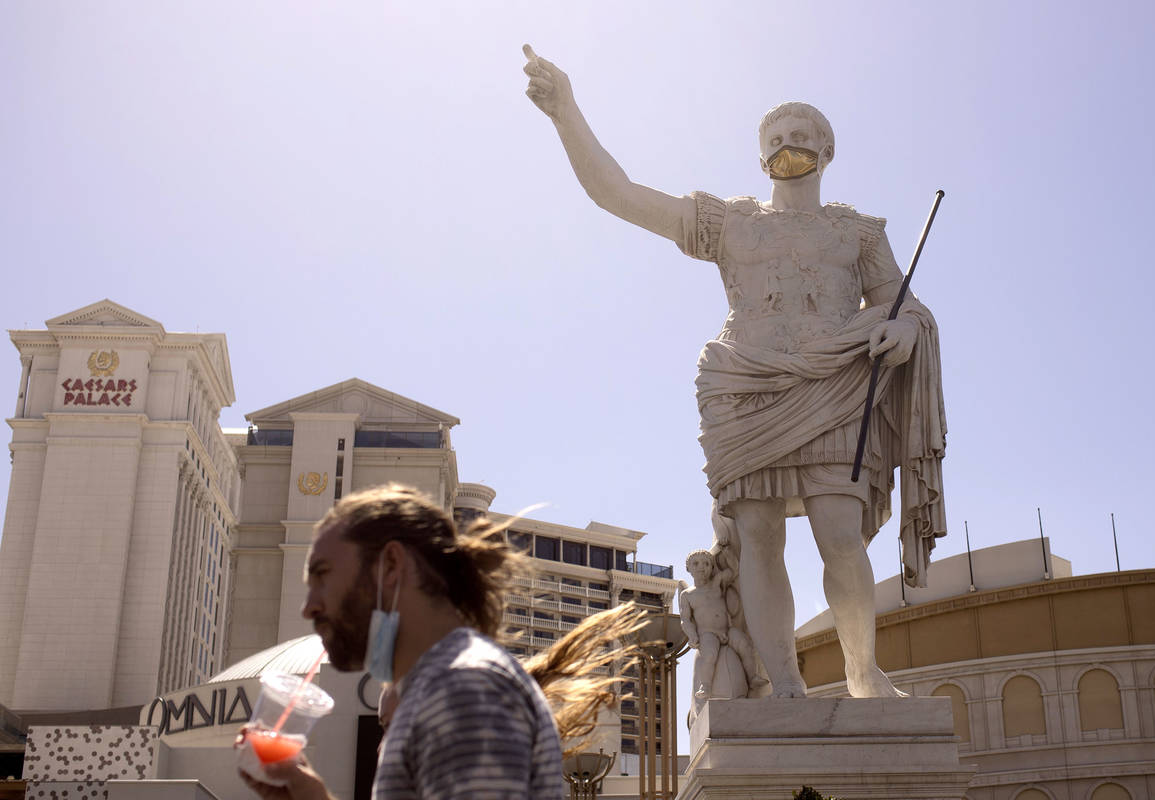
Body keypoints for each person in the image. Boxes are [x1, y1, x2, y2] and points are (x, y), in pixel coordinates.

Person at [523, 45, 947, 699]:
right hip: (743, 387)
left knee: (840, 531)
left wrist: (900, 326)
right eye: (776, 137)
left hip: (832, 386)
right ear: (760, 155)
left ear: (827, 152)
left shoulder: (858, 234)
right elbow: (618, 194)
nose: (790, 144)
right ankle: (785, 682)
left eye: (803, 135)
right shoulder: (730, 223)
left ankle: (862, 671)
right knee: (757, 536)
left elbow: (901, 301)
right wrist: (565, 112)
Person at [239, 483, 592, 800]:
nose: (309, 607)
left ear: (391, 566)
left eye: (323, 574)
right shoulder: (439, 688)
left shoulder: (460, 689)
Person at [679, 546, 763, 700]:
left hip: (726, 630)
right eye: (696, 564)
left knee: (744, 644)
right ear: (688, 568)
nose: (701, 567)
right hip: (707, 633)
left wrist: (728, 554)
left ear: (712, 568)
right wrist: (692, 636)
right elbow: (685, 619)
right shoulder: (688, 595)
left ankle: (752, 677)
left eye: (706, 564)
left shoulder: (716, 583)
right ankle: (706, 686)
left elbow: (733, 571)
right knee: (710, 655)